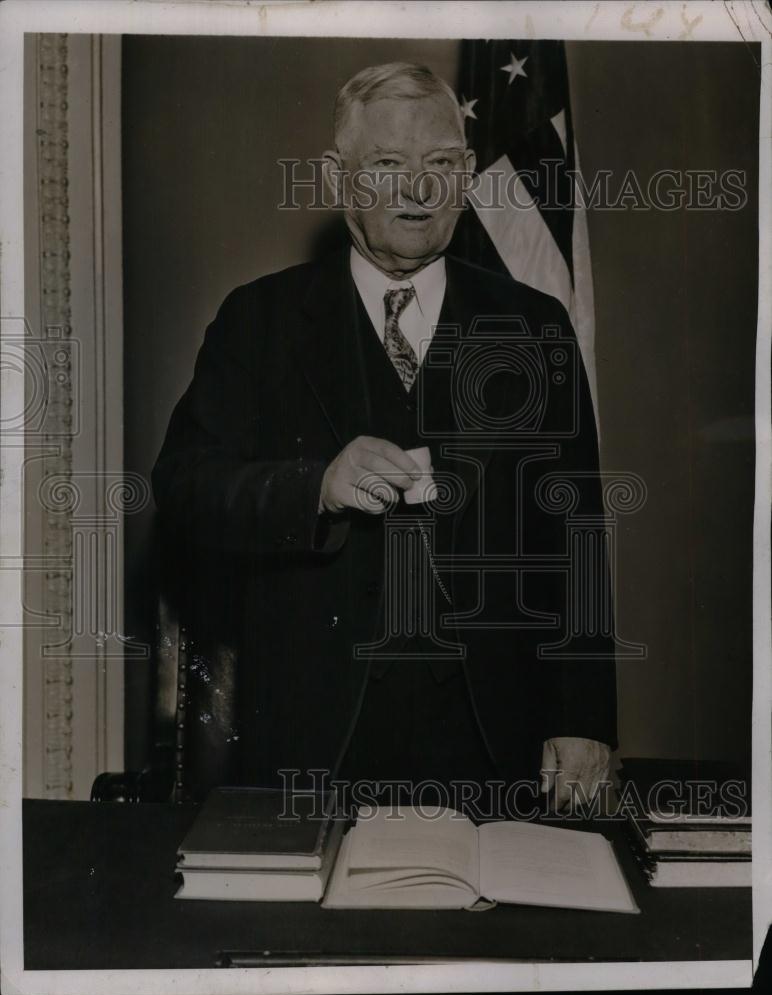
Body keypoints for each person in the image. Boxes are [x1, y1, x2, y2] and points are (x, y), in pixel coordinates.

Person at [152, 62, 617, 815]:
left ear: (466, 175)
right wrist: (315, 487)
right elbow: (183, 490)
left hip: (496, 743)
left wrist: (585, 720)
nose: (418, 188)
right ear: (340, 179)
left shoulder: (533, 326)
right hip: (312, 740)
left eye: (439, 164)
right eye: (388, 165)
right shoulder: (258, 322)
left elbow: (577, 533)